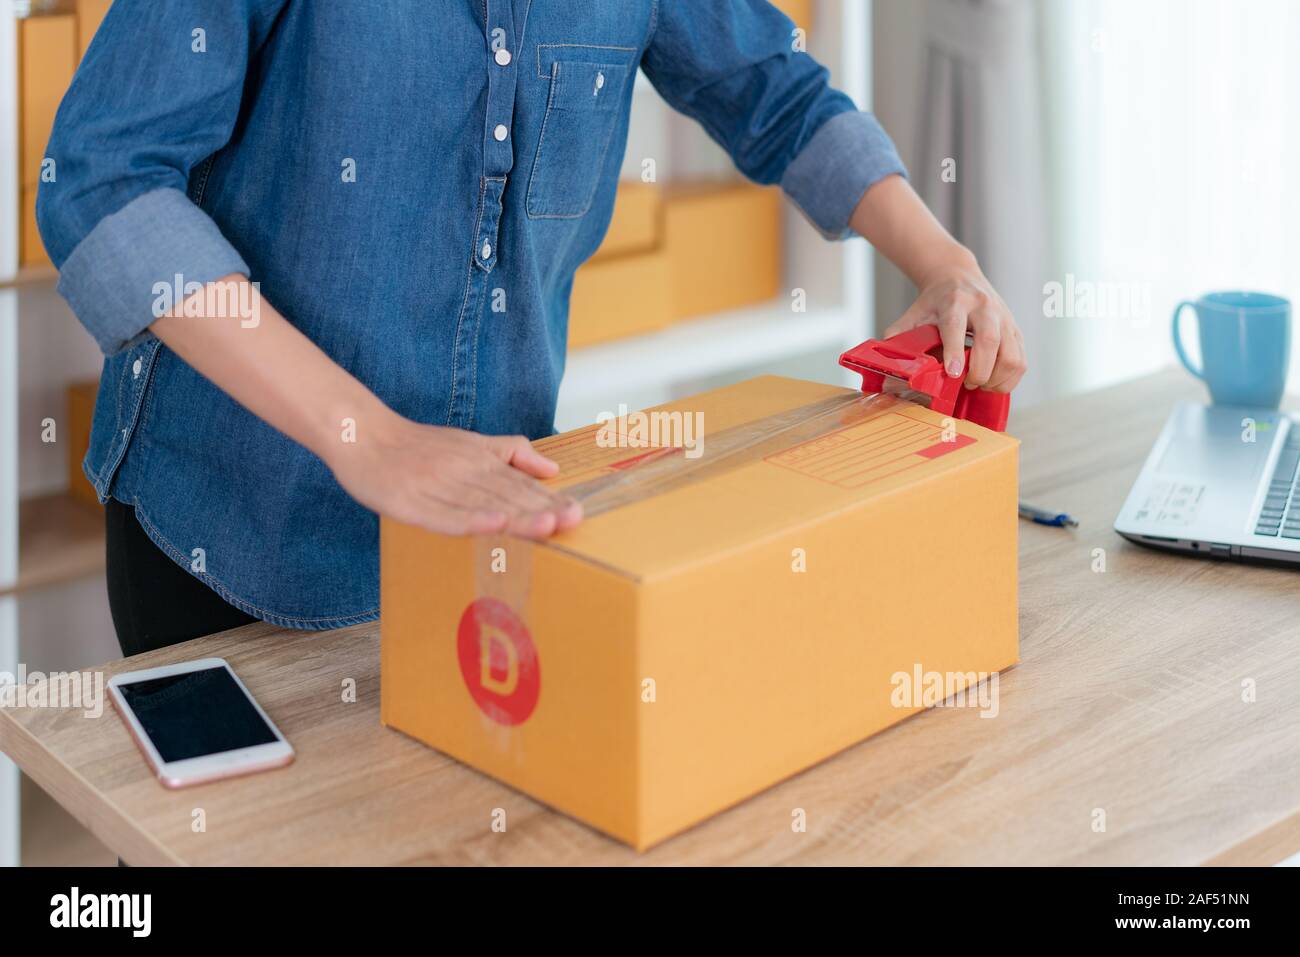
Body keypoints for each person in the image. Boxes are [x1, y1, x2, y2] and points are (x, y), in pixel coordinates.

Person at [38, 0, 1026, 656]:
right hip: (237, 531)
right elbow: (102, 181)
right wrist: (365, 437)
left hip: (483, 529)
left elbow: (774, 93)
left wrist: (946, 266)